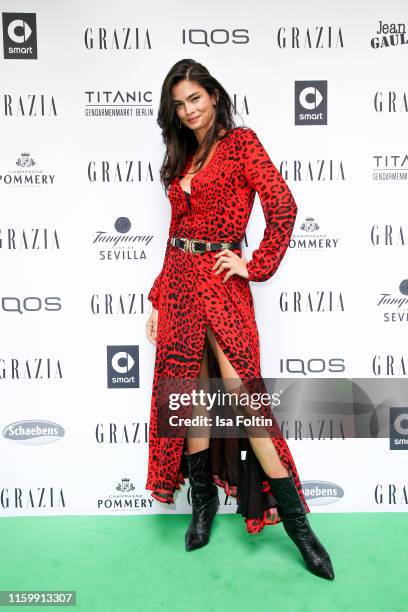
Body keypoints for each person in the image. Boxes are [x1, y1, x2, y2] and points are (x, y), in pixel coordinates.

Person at [145, 58, 334, 580]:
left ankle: (299, 528)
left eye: (195, 99)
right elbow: (173, 233)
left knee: (246, 402)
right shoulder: (183, 152)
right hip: (181, 284)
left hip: (224, 285)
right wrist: (160, 296)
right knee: (193, 396)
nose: (188, 112)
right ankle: (202, 506)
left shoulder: (241, 143)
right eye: (179, 105)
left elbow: (283, 205)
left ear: (214, 94)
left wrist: (254, 264)